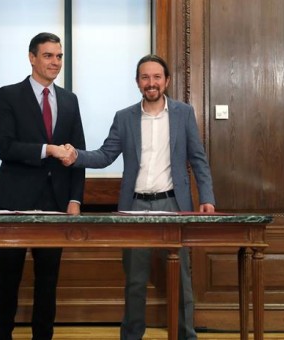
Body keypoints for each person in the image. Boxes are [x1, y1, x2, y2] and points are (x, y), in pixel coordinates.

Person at [54, 54, 215, 340]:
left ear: (166, 81)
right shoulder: (124, 117)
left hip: (174, 206)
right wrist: (75, 156)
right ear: (137, 82)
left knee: (182, 281)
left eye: (156, 77)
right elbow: (105, 156)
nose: (150, 83)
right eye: (145, 77)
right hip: (134, 207)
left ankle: (185, 336)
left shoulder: (184, 113)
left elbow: (198, 159)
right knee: (135, 281)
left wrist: (207, 197)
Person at [0, 32, 86, 340]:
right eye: (48, 56)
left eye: (59, 56)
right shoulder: (7, 95)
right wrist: (48, 149)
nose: (55, 62)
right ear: (32, 57)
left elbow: (78, 153)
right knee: (8, 279)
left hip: (55, 203)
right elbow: (5, 147)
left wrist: (75, 200)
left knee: (48, 281)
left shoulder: (70, 100)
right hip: (13, 202)